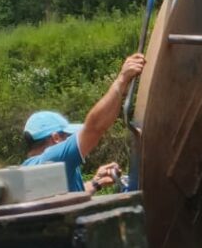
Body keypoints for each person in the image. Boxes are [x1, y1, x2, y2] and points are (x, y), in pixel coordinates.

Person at [22, 53, 145, 194]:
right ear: (56, 138)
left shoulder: (37, 171)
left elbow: (70, 195)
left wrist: (96, 182)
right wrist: (121, 81)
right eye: (68, 136)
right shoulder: (52, 159)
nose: (72, 139)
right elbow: (94, 128)